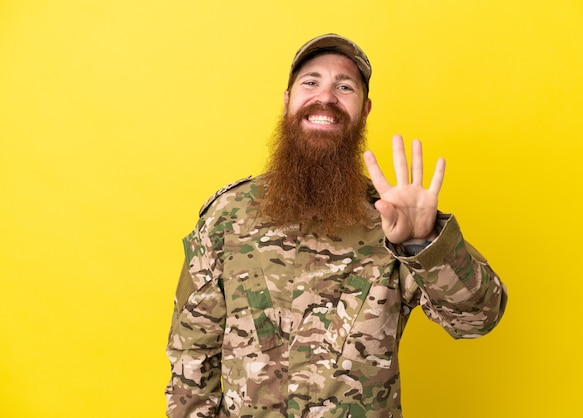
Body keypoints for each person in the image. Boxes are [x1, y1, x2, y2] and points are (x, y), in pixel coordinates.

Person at [165, 33, 507, 418]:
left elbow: (478, 319)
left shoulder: (392, 219)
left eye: (344, 87)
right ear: (287, 100)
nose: (325, 97)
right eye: (311, 82)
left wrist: (423, 243)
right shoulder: (228, 215)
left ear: (365, 111)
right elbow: (192, 355)